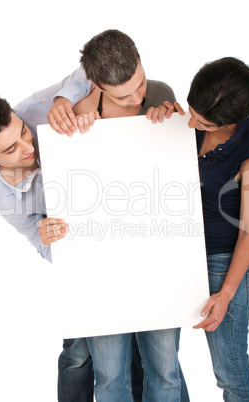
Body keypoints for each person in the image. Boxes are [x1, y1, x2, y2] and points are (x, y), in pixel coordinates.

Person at [54, 29, 188, 402]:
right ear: (95, 85)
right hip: (102, 270)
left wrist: (173, 123)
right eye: (123, 95)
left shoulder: (160, 93)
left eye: (139, 84)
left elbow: (174, 176)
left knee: (165, 371)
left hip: (157, 260)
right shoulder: (77, 114)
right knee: (110, 376)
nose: (138, 98)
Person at [0, 70, 97, 402]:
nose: (26, 146)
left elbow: (89, 71)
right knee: (78, 355)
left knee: (142, 348)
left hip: (124, 217)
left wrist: (66, 99)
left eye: (22, 132)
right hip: (82, 259)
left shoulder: (33, 109)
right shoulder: (7, 200)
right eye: (10, 149)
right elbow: (41, 246)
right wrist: (47, 238)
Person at [149, 56, 249, 401]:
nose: (191, 124)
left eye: (202, 122)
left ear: (230, 121)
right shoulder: (185, 123)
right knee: (161, 368)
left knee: (229, 374)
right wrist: (160, 121)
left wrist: (226, 294)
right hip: (177, 253)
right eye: (190, 111)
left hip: (224, 262)